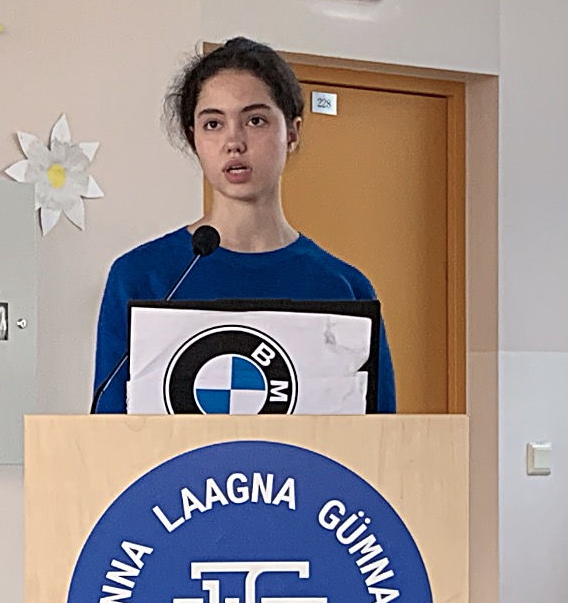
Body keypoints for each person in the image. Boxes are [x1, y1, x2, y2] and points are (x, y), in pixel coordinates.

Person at [91, 37, 397, 413]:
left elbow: (382, 436)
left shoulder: (344, 288)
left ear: (292, 133)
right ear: (193, 138)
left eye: (255, 120)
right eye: (213, 124)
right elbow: (107, 426)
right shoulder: (142, 276)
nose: (233, 142)